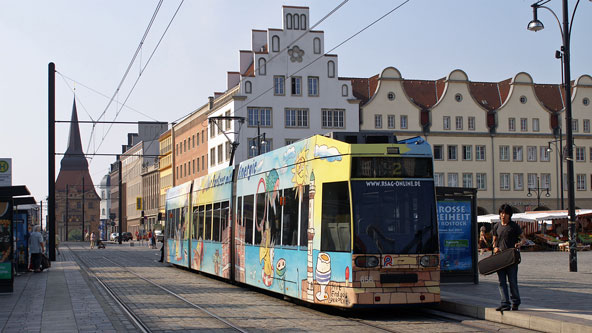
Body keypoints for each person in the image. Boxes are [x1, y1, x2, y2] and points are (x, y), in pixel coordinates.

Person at [492, 204, 527, 311]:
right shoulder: (496, 226)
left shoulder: (513, 226)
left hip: (511, 258)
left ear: (509, 215)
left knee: (512, 281)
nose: (503, 215)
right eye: (501, 213)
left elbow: (523, 239)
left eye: (505, 213)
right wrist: (495, 248)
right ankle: (505, 303)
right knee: (501, 282)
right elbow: (494, 242)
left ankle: (515, 302)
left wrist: (519, 244)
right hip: (500, 258)